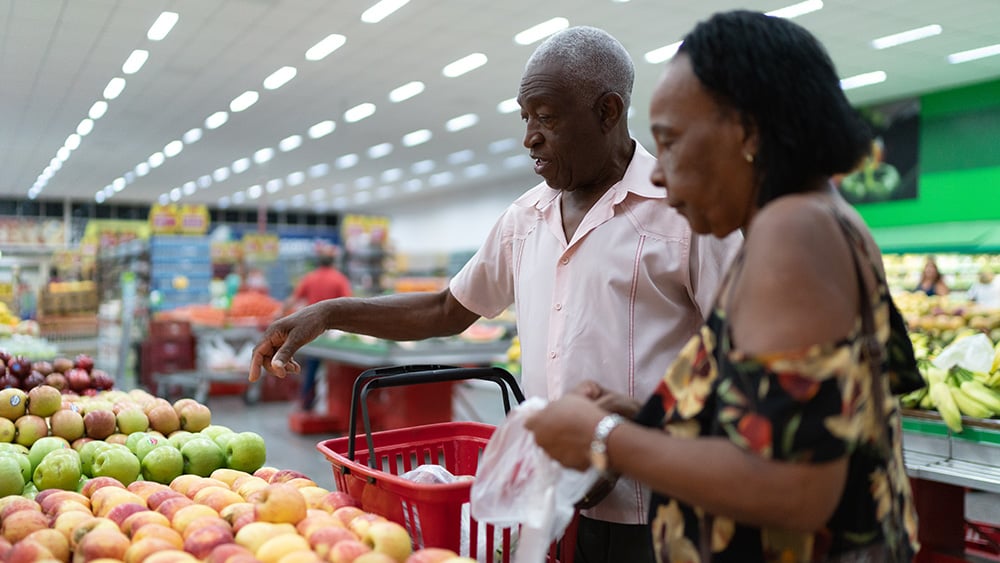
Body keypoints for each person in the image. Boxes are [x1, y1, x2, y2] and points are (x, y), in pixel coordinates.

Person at [250, 26, 740, 563]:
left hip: (668, 509)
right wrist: (331, 313)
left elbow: (745, 359)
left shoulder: (685, 214)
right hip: (551, 503)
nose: (529, 136)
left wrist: (637, 431)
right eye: (525, 117)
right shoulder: (525, 217)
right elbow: (447, 309)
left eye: (547, 118)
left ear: (607, 111)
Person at [525, 10, 922, 563]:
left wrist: (605, 437)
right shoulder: (819, 222)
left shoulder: (793, 232)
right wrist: (656, 417)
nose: (659, 174)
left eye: (671, 141)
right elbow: (803, 424)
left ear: (750, 132)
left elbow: (796, 488)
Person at [283, 252, 353, 411]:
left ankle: (306, 402)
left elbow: (294, 299)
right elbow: (349, 303)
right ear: (333, 262)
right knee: (336, 369)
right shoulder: (339, 278)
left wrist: (279, 314)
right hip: (334, 331)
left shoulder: (310, 278)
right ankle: (337, 405)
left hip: (312, 330)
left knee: (311, 368)